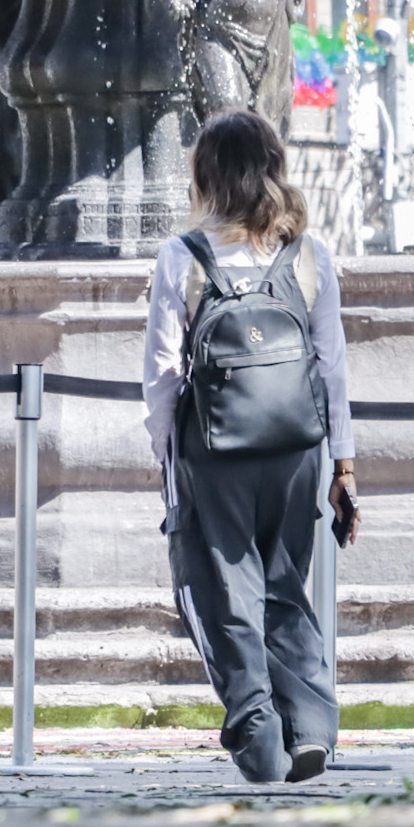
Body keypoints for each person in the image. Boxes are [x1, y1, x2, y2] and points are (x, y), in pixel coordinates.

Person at [138, 110, 356, 785]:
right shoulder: (309, 255)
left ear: (207, 175)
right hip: (297, 450)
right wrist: (343, 463)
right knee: (285, 586)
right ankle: (313, 725)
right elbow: (333, 366)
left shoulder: (185, 254)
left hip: (215, 451)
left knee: (228, 593)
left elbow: (163, 372)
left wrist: (166, 454)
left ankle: (260, 740)